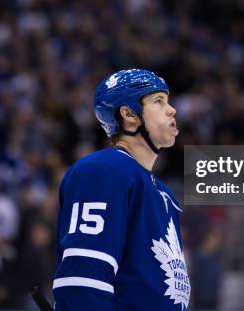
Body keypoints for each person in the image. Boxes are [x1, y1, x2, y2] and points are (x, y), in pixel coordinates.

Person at [53, 69, 191, 310]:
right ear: (128, 114)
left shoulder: (165, 194)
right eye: (158, 101)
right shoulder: (103, 170)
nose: (172, 110)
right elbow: (83, 282)